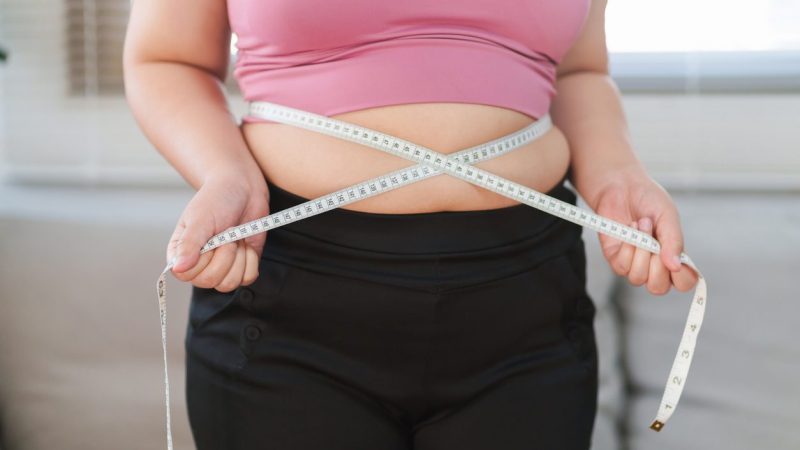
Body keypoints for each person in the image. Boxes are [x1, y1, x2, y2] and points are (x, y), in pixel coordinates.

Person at [123, 0, 699, 448]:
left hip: (527, 301)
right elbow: (166, 58)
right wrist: (226, 174)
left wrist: (619, 177)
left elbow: (579, 70)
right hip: (288, 287)